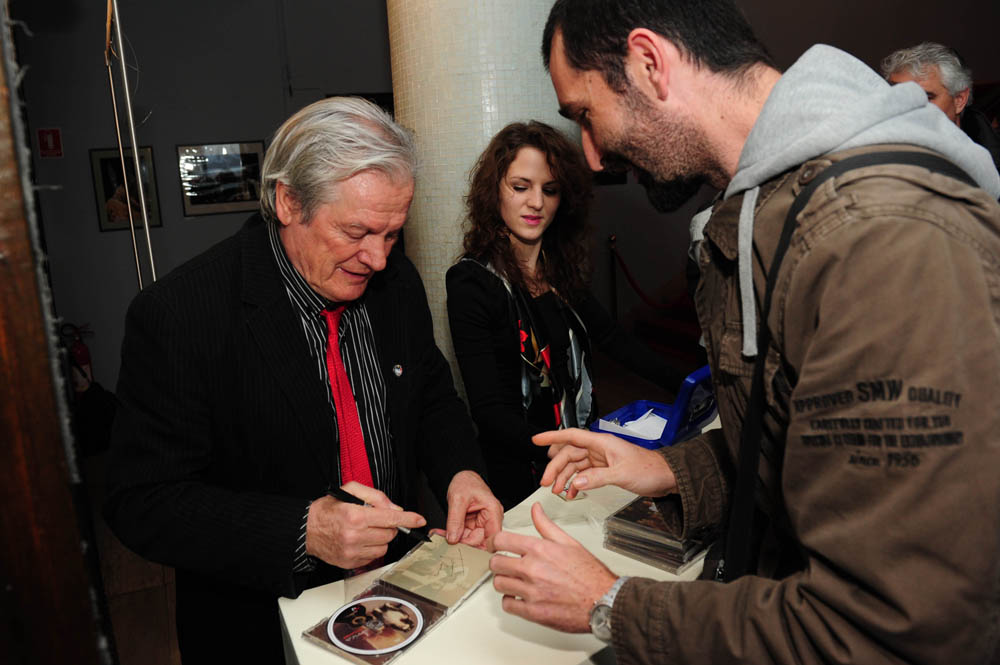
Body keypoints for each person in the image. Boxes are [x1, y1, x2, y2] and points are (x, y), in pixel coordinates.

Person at [487, 1, 1000, 664]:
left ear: (650, 63)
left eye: (586, 114)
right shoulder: (775, 205)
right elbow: (802, 445)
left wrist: (613, 603)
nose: (592, 153)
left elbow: (888, 630)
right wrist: (663, 467)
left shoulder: (880, 240)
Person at [104, 97, 503, 664]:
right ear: (288, 201)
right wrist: (302, 529)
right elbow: (141, 500)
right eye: (357, 231)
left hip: (401, 594)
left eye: (392, 234)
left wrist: (462, 473)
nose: (379, 258)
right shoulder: (181, 314)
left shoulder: (396, 284)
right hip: (262, 624)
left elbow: (430, 391)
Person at [446, 121, 684, 509]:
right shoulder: (471, 282)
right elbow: (489, 413)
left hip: (580, 461)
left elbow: (613, 339)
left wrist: (689, 385)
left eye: (549, 190)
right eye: (520, 187)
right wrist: (568, 447)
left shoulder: (560, 271)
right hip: (524, 475)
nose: (536, 202)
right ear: (494, 192)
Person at [882, 42, 1000, 174]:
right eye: (900, 96)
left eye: (926, 97)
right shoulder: (879, 147)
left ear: (959, 100)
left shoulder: (991, 165)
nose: (909, 108)